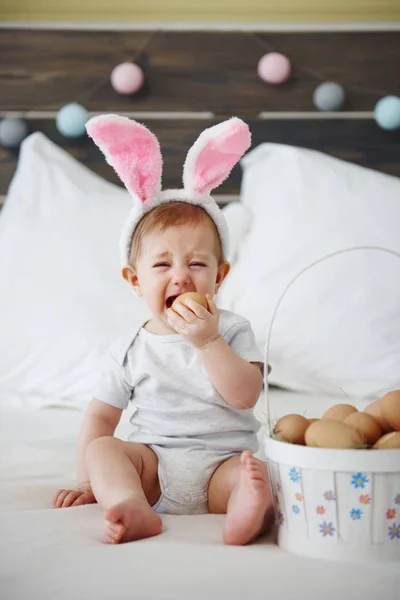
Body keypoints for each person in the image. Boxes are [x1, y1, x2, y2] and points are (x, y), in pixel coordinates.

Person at [53, 115, 274, 545]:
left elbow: (247, 394)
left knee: (254, 475)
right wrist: (87, 480)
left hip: (220, 466)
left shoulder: (231, 330)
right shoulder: (130, 348)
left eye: (196, 264)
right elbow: (101, 417)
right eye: (161, 265)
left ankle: (247, 512)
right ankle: (128, 503)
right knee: (104, 450)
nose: (181, 277)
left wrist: (207, 342)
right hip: (152, 469)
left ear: (219, 275)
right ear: (135, 281)